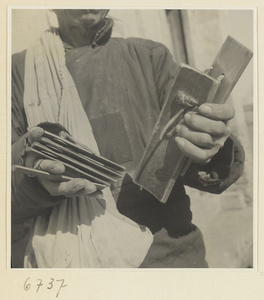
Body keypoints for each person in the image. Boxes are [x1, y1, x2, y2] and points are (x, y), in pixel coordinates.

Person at [11, 9, 245, 268]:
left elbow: (198, 152)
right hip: (75, 267)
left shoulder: (149, 58)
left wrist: (211, 146)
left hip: (168, 257)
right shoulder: (19, 75)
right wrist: (33, 176)